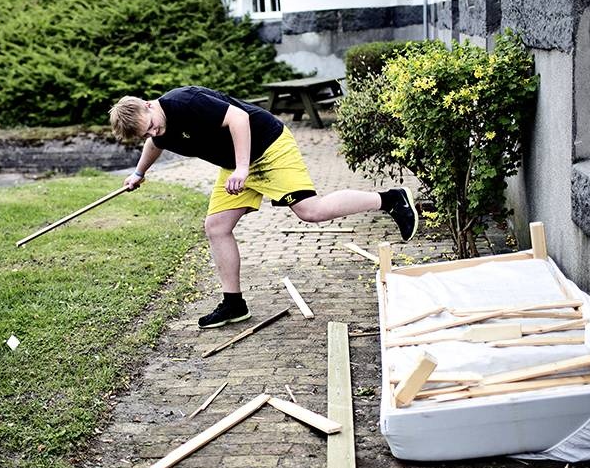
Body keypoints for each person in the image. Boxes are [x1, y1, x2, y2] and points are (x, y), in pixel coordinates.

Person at [109, 86, 417, 329]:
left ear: (149, 105)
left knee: (311, 211)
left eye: (151, 126)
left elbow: (238, 119)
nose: (153, 133)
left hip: (267, 147)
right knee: (216, 227)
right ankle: (234, 304)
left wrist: (242, 168)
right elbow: (156, 144)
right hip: (237, 164)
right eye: (145, 134)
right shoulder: (157, 130)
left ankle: (391, 199)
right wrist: (139, 173)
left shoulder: (185, 102)